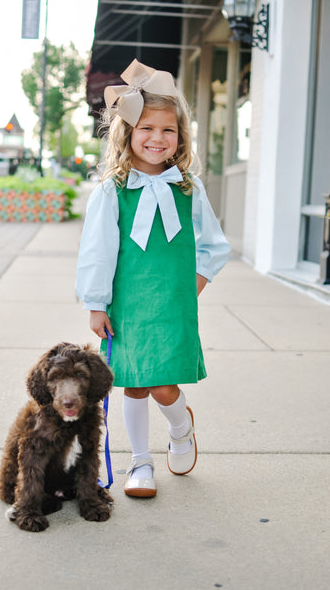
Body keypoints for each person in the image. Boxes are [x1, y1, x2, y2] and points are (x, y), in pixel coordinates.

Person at [76, 59, 231, 498]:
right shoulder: (112, 190)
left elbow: (214, 245)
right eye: (146, 128)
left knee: (164, 385)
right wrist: (95, 303)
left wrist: (194, 283)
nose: (157, 138)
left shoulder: (189, 188)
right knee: (135, 383)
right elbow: (97, 252)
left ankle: (181, 428)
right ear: (128, 133)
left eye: (168, 130)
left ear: (180, 137)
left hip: (174, 302)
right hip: (128, 301)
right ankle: (140, 464)